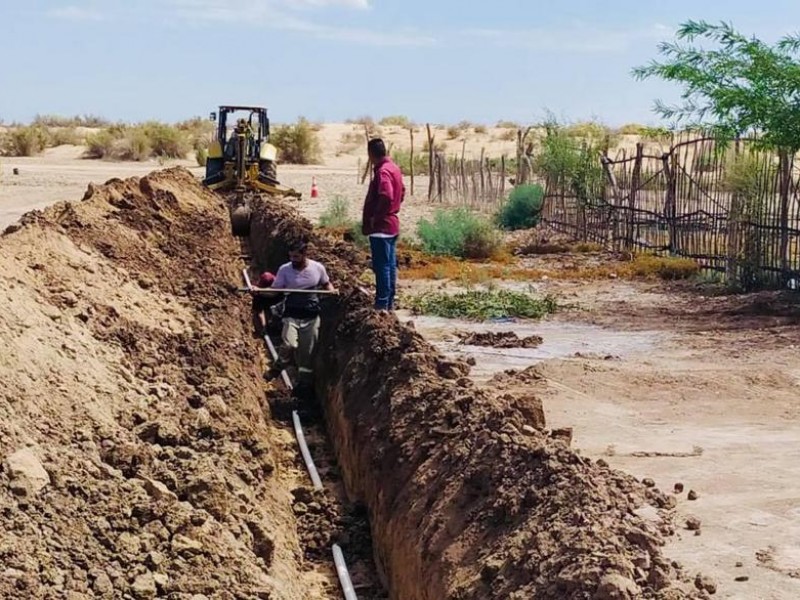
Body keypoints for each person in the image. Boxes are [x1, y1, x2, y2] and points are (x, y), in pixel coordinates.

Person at [269, 241, 334, 387]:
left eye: (296, 257)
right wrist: (257, 290)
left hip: (311, 315)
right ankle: (278, 366)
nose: (293, 260)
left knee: (307, 353)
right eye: (291, 256)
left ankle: (304, 385)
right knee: (289, 344)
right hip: (291, 313)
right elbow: (275, 290)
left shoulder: (317, 268)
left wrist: (331, 290)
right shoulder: (284, 270)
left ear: (305, 254)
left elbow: (326, 283)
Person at [361, 138, 405, 312]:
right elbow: (402, 192)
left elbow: (386, 195)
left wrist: (376, 218)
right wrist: (395, 206)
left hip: (382, 227)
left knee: (382, 267)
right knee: (390, 265)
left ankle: (381, 305)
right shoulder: (394, 168)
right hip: (391, 224)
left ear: (371, 153)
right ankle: (389, 303)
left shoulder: (383, 172)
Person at [250, 270, 280, 337]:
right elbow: (258, 313)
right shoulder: (258, 296)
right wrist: (262, 329)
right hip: (266, 306)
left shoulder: (281, 292)